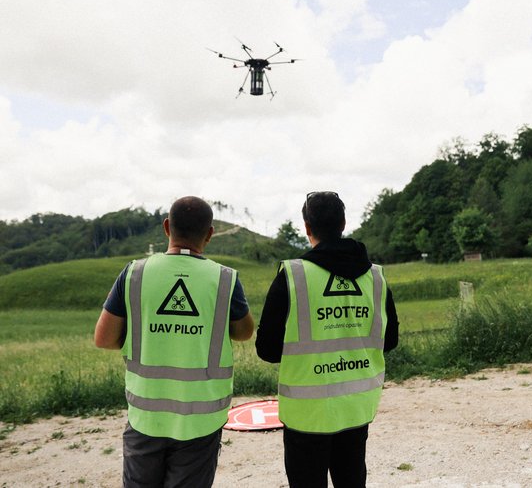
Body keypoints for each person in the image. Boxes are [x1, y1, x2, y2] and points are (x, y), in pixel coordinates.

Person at [94, 196, 255, 488]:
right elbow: (244, 332)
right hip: (200, 419)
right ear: (210, 233)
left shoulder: (134, 273)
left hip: (146, 416)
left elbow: (103, 339)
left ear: (167, 227)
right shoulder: (224, 279)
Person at [256, 191, 399, 488]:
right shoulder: (375, 277)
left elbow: (267, 349)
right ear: (344, 223)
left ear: (307, 228)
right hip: (356, 407)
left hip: (306, 414)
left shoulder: (293, 275)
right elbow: (390, 340)